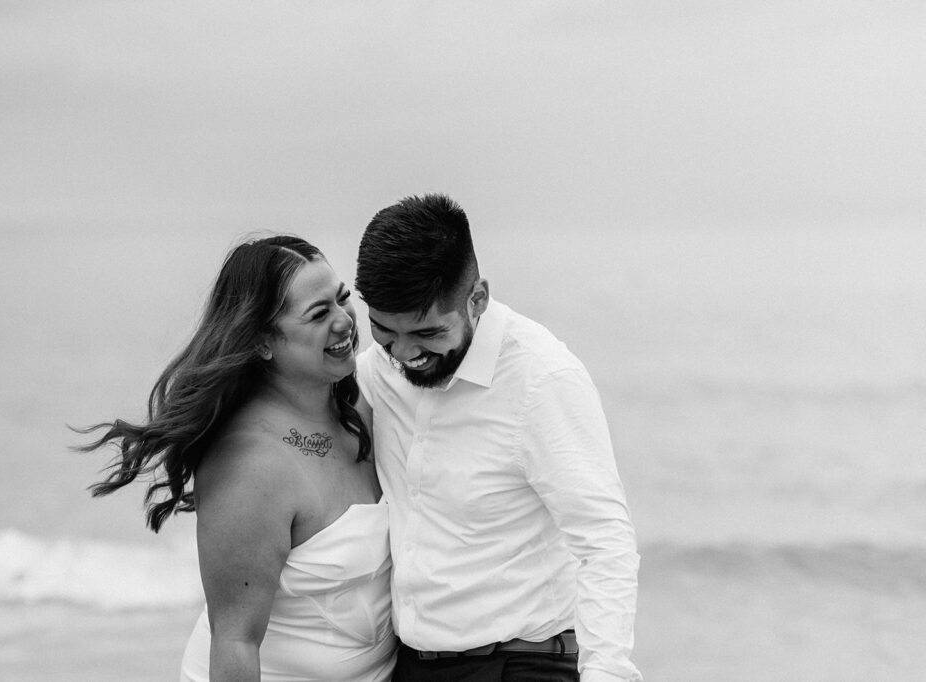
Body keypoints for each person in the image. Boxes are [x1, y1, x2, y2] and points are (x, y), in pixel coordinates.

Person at [76, 236, 396, 682]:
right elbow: (235, 643)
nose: (345, 322)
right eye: (319, 314)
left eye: (343, 299)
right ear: (263, 341)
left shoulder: (368, 402)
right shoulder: (249, 467)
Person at [354, 194, 642, 682]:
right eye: (384, 331)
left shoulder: (542, 381)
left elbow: (604, 542)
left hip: (521, 665)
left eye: (426, 333)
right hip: (407, 664)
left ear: (478, 299)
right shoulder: (378, 370)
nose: (403, 353)